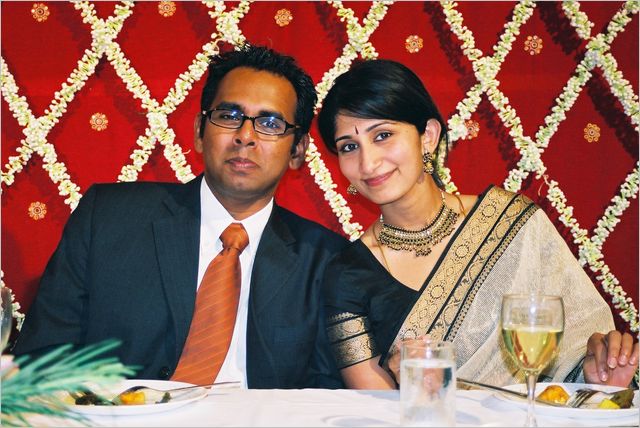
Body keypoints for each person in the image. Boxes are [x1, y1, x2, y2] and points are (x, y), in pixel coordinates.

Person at [14, 44, 348, 389]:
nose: (245, 136)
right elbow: (43, 359)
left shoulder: (325, 260)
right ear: (199, 132)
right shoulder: (107, 219)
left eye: (270, 123)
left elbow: (328, 393)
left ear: (297, 151)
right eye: (229, 116)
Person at [316, 59, 638, 389]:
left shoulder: (512, 223)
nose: (368, 163)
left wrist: (593, 377)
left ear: (428, 136)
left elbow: (572, 355)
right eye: (349, 147)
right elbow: (373, 406)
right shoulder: (347, 275)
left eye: (383, 135)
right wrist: (413, 387)